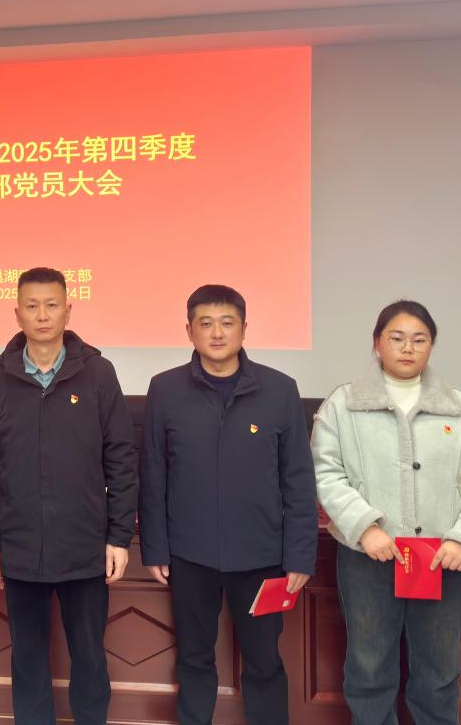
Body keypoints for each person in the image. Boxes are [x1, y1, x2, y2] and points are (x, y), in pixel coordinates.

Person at [311, 300, 461, 725]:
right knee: (368, 667)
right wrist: (365, 528)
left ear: (431, 346)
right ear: (377, 343)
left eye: (419, 340)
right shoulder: (343, 405)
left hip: (443, 559)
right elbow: (324, 473)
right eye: (397, 338)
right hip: (367, 558)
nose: (407, 348)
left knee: (439, 670)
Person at [139, 284, 316, 725]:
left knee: (264, 662)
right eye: (206, 324)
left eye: (226, 323)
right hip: (189, 556)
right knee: (193, 658)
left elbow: (298, 480)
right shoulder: (165, 389)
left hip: (262, 558)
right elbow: (153, 474)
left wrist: (299, 556)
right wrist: (156, 549)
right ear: (189, 331)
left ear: (244, 328)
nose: (216, 333)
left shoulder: (279, 390)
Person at [0, 267, 137, 725]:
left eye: (51, 305)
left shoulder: (98, 374)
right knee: (27, 659)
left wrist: (119, 536)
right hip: (20, 547)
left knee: (89, 656)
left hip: (85, 546)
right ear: (17, 313)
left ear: (68, 309)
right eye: (32, 306)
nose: (42, 315)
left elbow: (121, 459)